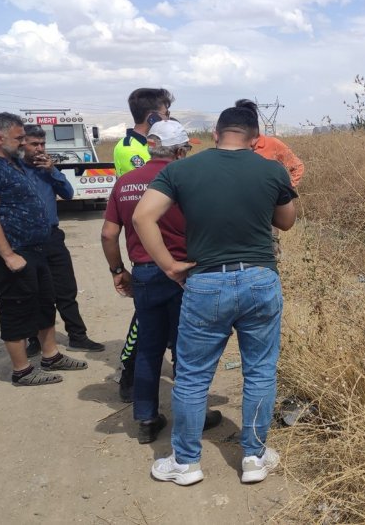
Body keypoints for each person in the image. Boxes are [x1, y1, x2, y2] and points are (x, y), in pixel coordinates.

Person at [134, 101, 297, 486]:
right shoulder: (271, 169)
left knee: (191, 376)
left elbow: (143, 217)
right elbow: (286, 222)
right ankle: (254, 459)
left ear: (214, 135)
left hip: (206, 281)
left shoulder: (182, 169)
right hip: (259, 279)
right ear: (256, 139)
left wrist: (169, 266)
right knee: (259, 371)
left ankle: (186, 463)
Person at [101, 119, 219, 444]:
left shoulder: (125, 182)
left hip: (145, 273)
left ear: (151, 145)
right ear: (181, 151)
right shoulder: (188, 179)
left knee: (149, 347)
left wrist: (117, 271)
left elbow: (109, 233)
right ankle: (194, 415)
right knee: (188, 349)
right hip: (184, 272)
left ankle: (146, 419)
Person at [0, 112, 88, 386]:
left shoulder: (12, 163)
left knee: (45, 301)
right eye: (19, 138)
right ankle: (22, 370)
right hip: (9, 253)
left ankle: (51, 355)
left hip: (36, 248)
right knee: (16, 306)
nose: (24, 143)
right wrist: (8, 255)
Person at [113, 88, 175, 402]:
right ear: (152, 117)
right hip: (151, 245)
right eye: (165, 113)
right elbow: (141, 197)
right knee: (145, 322)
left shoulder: (150, 144)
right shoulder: (131, 149)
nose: (168, 118)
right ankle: (129, 373)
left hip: (166, 241)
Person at [21, 125, 104, 356]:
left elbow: (68, 193)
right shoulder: (15, 170)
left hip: (52, 237)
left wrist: (53, 171)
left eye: (42, 144)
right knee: (35, 292)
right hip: (27, 241)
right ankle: (36, 340)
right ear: (22, 144)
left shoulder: (47, 170)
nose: (39, 149)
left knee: (66, 289)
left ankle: (78, 336)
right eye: (34, 144)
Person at [235, 99, 304, 256]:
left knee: (269, 251)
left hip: (268, 212)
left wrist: (286, 190)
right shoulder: (232, 146)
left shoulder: (272, 144)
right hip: (240, 211)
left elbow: (297, 166)